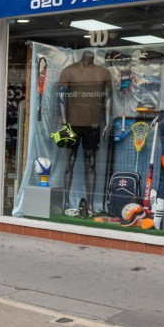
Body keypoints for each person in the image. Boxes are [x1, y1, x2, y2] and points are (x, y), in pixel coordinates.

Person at [56, 50, 112, 216]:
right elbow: (60, 97)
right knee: (69, 163)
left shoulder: (104, 72)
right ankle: (66, 202)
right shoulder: (69, 70)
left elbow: (108, 98)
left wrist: (108, 121)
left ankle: (91, 205)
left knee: (91, 163)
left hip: (94, 125)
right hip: (71, 124)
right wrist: (64, 122)